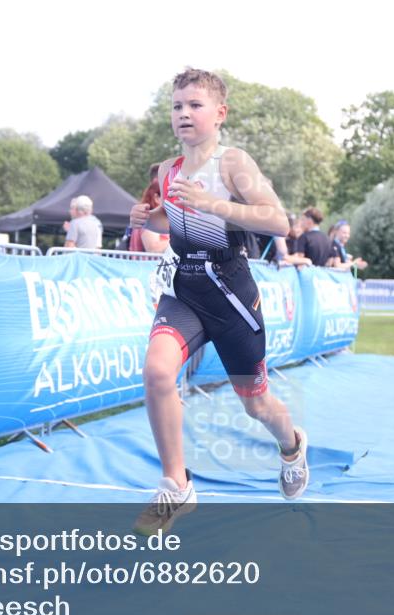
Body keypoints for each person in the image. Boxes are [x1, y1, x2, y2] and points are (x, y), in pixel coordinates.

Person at [128, 68, 308, 534]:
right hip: (185, 290)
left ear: (220, 113)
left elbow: (277, 222)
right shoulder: (168, 170)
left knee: (256, 402)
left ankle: (291, 446)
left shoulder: (233, 163)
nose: (184, 113)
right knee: (156, 370)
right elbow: (175, 225)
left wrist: (215, 205)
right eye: (176, 106)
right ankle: (176, 486)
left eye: (195, 105)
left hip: (231, 294)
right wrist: (150, 220)